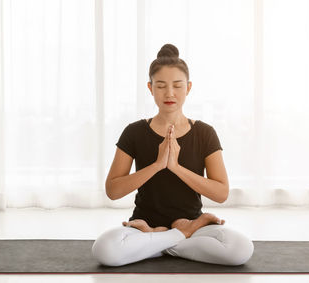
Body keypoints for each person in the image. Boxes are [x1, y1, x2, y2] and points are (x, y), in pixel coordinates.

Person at [91, 43, 254, 266]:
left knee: (241, 249)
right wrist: (158, 164)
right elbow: (113, 190)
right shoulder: (134, 132)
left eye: (177, 86)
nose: (169, 93)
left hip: (191, 224)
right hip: (144, 226)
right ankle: (176, 237)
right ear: (150, 87)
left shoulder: (205, 133)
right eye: (161, 86)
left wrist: (176, 167)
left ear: (188, 87)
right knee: (104, 249)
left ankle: (158, 242)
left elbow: (221, 193)